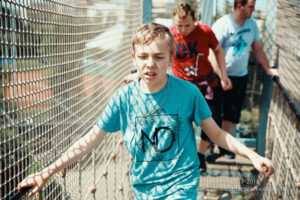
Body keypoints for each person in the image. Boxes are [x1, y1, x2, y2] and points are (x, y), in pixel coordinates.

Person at [17, 23, 274, 200]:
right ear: (133, 58)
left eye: (159, 57)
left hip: (181, 185)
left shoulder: (188, 93)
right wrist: (46, 172)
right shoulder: (123, 99)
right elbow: (88, 141)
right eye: (143, 56)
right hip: (143, 189)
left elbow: (217, 135)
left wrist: (251, 156)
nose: (150, 63)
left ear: (171, 58)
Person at [124, 3, 232, 173]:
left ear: (195, 20)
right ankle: (176, 159)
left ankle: (200, 154)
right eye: (179, 25)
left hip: (206, 84)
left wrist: (223, 75)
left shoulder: (205, 32)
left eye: (187, 25)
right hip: (182, 86)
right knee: (176, 122)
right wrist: (137, 75)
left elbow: (218, 50)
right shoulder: (171, 34)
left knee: (212, 121)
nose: (183, 29)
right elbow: (157, 60)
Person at [207, 0, 278, 160]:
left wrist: (268, 69)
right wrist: (222, 76)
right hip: (218, 76)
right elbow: (211, 53)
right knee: (214, 114)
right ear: (240, 6)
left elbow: (257, 48)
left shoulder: (252, 24)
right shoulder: (223, 24)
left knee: (232, 115)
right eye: (251, 6)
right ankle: (209, 149)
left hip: (240, 76)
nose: (253, 9)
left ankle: (224, 147)